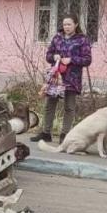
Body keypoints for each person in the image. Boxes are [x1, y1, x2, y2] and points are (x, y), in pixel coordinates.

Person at [31, 15, 93, 143]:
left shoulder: (82, 39)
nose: (66, 27)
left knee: (69, 107)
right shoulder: (57, 38)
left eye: (69, 24)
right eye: (65, 24)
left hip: (72, 78)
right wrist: (54, 57)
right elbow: (48, 55)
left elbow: (87, 60)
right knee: (49, 105)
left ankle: (65, 135)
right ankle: (46, 133)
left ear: (76, 24)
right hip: (56, 77)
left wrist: (72, 60)